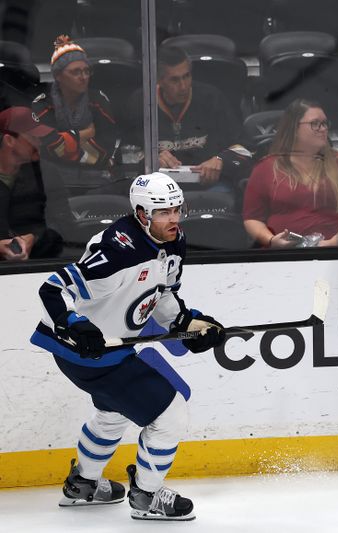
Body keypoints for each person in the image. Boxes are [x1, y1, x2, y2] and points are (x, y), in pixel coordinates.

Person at [29, 172, 227, 520]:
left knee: (113, 413)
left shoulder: (174, 241)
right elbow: (52, 289)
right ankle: (147, 496)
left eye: (177, 209)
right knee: (170, 414)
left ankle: (83, 485)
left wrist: (188, 323)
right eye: (163, 212)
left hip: (107, 350)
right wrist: (75, 324)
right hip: (87, 351)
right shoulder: (118, 249)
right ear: (141, 214)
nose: (174, 219)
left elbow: (162, 297)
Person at [243, 99, 338, 248]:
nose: (322, 129)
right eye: (315, 124)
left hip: (335, 255)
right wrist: (271, 241)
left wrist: (333, 243)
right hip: (282, 256)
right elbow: (252, 218)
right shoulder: (266, 167)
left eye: (324, 123)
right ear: (294, 128)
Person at [127, 46, 252, 192]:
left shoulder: (212, 99)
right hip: (159, 187)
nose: (183, 86)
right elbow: (126, 154)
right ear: (159, 80)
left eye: (186, 76)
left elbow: (245, 149)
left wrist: (221, 160)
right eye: (175, 80)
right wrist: (150, 159)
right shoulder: (140, 103)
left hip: (209, 186)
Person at [32, 35, 119, 171]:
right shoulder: (43, 104)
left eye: (86, 71)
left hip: (94, 175)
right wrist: (84, 135)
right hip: (53, 176)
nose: (83, 77)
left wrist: (66, 141)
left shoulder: (98, 100)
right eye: (75, 72)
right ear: (58, 76)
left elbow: (106, 149)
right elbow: (49, 149)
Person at [0, 106, 66, 260]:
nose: (39, 142)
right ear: (9, 140)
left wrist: (33, 238)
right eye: (33, 137)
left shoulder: (47, 173)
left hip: (39, 268)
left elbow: (64, 225)